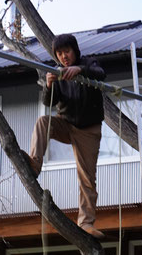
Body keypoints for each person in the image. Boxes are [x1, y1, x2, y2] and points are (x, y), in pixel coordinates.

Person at [25, 33, 106, 239]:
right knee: (43, 121)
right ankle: (35, 163)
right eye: (59, 54)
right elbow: (49, 102)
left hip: (88, 129)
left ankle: (86, 223)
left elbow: (101, 73)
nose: (64, 57)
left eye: (66, 52)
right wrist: (49, 84)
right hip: (66, 124)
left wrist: (80, 70)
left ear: (75, 51)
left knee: (86, 178)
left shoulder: (88, 63)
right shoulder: (56, 72)